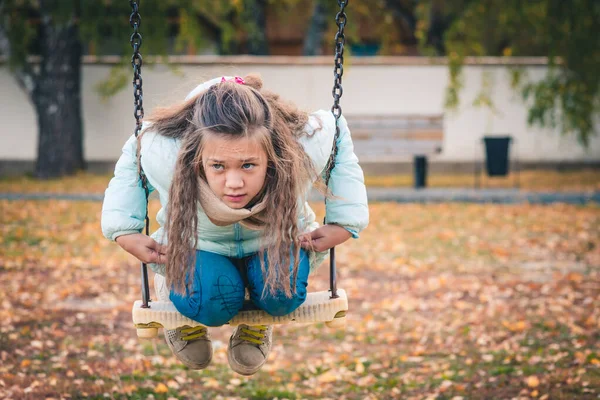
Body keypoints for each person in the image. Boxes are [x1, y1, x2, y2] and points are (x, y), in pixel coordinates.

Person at [101, 74, 369, 375]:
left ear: (271, 153)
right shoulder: (165, 153)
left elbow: (337, 134)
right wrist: (124, 230)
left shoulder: (301, 147)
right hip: (198, 245)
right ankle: (182, 303)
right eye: (218, 166)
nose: (234, 183)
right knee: (213, 299)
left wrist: (344, 222)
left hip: (272, 240)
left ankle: (257, 321)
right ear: (197, 156)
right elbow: (131, 166)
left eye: (248, 165)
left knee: (283, 294)